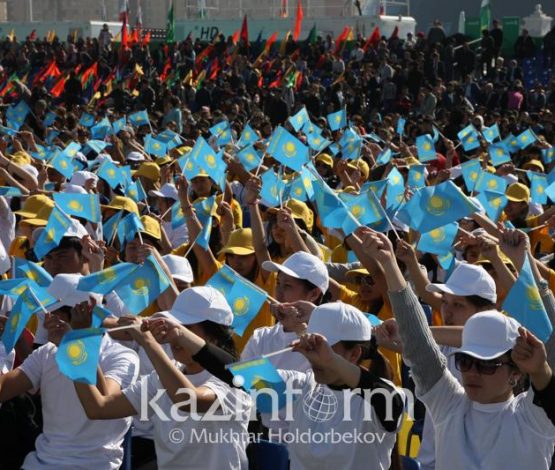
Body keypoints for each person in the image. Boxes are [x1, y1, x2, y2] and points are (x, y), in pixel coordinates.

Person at [359, 226, 555, 469]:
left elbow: (551, 338)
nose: (472, 372)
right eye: (465, 361)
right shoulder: (449, 405)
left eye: (488, 364)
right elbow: (418, 342)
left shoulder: (533, 418)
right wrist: (389, 264)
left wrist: (523, 259)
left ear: (516, 373)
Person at [72, 286, 252, 470]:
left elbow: (187, 399)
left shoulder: (235, 380)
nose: (175, 335)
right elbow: (98, 407)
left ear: (215, 337)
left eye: (186, 328)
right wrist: (80, 340)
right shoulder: (162, 377)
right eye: (174, 325)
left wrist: (148, 342)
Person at [0, 275, 139, 469]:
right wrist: (2, 349)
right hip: (40, 463)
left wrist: (77, 345)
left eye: (55, 313)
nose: (47, 320)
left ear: (85, 311)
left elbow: (104, 403)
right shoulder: (48, 352)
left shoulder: (123, 356)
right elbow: (4, 389)